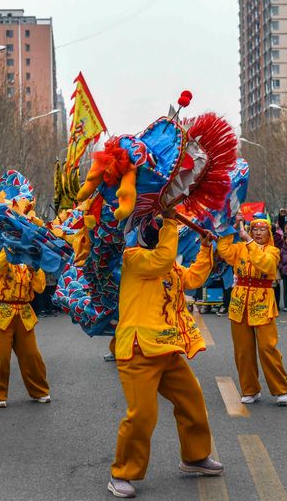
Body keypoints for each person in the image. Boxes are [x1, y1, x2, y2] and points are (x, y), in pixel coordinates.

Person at [108, 213, 221, 499]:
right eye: (157, 229)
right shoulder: (133, 259)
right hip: (138, 349)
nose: (162, 233)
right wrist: (171, 222)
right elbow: (161, 259)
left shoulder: (169, 267)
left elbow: (193, 278)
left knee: (192, 399)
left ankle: (195, 456)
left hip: (167, 347)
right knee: (143, 415)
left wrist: (206, 248)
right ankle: (121, 473)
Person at [217, 218, 287, 405]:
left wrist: (249, 241)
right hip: (240, 300)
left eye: (262, 230)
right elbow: (224, 251)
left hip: (262, 300)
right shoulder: (240, 248)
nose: (258, 233)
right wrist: (230, 228)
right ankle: (250, 389)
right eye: (254, 229)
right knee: (243, 350)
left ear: (269, 233)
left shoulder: (272, 251)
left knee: (267, 347)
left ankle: (281, 389)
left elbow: (266, 265)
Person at [0, 247, 50, 408]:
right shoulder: (1, 256)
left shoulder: (30, 263)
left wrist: (34, 266)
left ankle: (39, 391)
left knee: (32, 355)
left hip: (24, 313)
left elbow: (40, 287)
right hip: (2, 312)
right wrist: (9, 247)